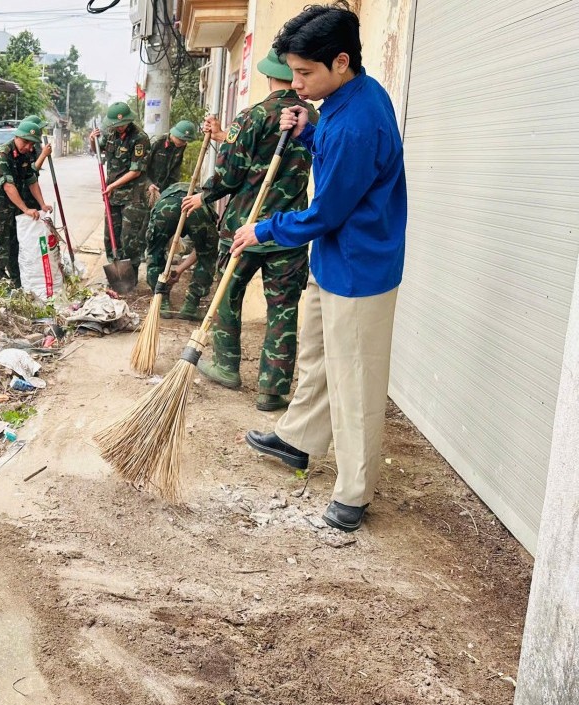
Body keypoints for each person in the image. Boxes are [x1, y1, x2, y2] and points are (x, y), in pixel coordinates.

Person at [231, 2, 407, 532]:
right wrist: (309, 130)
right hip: (333, 261)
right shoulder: (342, 101)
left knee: (354, 381)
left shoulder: (358, 120)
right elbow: (333, 157)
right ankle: (299, 439)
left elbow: (327, 211)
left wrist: (262, 229)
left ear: (341, 61)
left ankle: (354, 491)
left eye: (305, 73)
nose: (296, 82)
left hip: (359, 270)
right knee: (316, 352)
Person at [181, 48, 315, 411]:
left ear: (269, 75)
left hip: (247, 228)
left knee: (228, 295)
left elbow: (231, 173)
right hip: (289, 229)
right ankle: (272, 389)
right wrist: (225, 134)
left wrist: (206, 195)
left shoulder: (254, 115)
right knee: (283, 307)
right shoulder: (312, 116)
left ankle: (226, 365)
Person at [0, 119, 53, 289]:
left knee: (15, 249)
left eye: (32, 145)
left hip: (13, 211)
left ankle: (16, 285)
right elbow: (8, 186)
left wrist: (42, 204)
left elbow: (31, 180)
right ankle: (0, 289)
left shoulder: (25, 154)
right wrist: (25, 209)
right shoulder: (2, 154)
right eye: (28, 144)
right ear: (21, 139)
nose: (31, 148)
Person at [89, 102, 150, 284]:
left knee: (129, 238)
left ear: (128, 121)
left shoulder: (140, 138)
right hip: (113, 196)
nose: (118, 127)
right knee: (111, 236)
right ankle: (115, 276)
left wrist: (113, 185)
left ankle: (130, 277)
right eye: (115, 124)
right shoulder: (109, 135)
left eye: (121, 124)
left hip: (133, 197)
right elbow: (97, 151)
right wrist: (92, 140)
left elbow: (136, 171)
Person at [143, 179, 218, 319]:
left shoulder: (166, 194)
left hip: (166, 208)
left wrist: (179, 269)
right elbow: (202, 252)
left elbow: (155, 249)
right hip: (196, 208)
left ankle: (162, 302)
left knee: (155, 252)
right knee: (207, 255)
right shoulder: (205, 199)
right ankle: (191, 305)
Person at [145, 120, 199, 203]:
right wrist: (148, 184)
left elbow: (175, 172)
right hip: (147, 188)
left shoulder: (180, 146)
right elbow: (141, 168)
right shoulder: (156, 142)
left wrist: (173, 190)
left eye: (185, 141)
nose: (183, 143)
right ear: (173, 134)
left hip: (164, 191)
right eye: (181, 140)